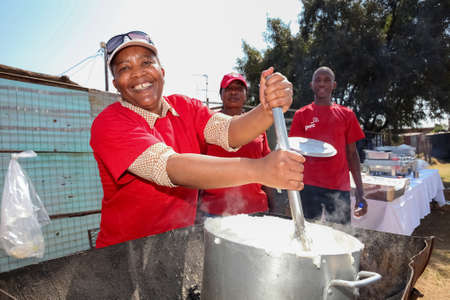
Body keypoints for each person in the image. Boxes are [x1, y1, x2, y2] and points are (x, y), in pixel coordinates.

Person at [90, 30, 304, 248]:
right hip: (123, 254)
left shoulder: (185, 107)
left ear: (162, 71)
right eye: (125, 68)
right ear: (116, 83)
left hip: (176, 244)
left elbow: (229, 130)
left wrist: (267, 109)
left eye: (146, 62)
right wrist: (260, 170)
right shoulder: (109, 123)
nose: (137, 73)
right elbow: (168, 167)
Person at [289, 66, 367, 224]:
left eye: (327, 80)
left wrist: (360, 193)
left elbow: (352, 155)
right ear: (312, 85)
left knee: (341, 236)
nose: (322, 84)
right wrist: (290, 192)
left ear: (334, 85)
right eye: (318, 80)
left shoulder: (347, 115)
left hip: (339, 187)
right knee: (307, 234)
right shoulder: (301, 115)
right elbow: (293, 155)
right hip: (308, 187)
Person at [198, 73, 272, 217]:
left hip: (255, 210)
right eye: (228, 88)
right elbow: (195, 169)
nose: (233, 92)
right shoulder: (207, 124)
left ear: (245, 95)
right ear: (221, 94)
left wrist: (273, 206)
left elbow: (267, 167)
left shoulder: (257, 125)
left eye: (239, 89)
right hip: (214, 211)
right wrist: (195, 209)